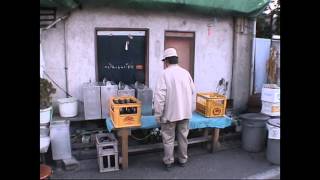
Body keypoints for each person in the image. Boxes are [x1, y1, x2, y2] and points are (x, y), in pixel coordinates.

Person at [154, 48, 195, 171]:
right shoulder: (185, 73)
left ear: (166, 61)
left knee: (168, 138)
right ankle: (183, 159)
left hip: (169, 114)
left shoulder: (164, 74)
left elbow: (160, 96)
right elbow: (193, 90)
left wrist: (158, 114)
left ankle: (168, 162)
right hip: (185, 113)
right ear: (176, 59)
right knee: (183, 137)